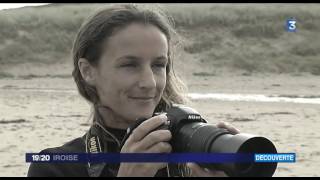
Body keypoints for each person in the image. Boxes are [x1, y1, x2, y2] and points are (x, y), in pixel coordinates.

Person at [27, 4, 240, 177]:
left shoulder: (195, 156)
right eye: (129, 65)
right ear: (88, 71)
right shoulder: (55, 167)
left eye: (158, 65)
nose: (149, 82)